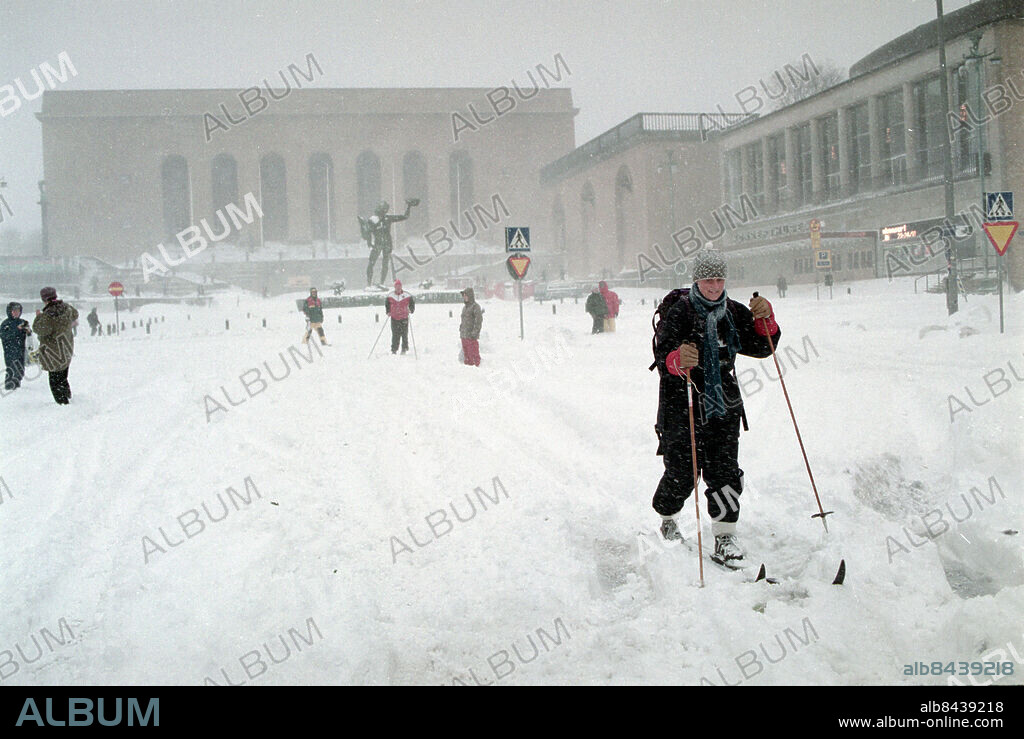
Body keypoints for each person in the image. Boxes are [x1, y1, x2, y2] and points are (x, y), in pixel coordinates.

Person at [651, 249, 781, 566]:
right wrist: (677, 359)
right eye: (708, 279)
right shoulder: (680, 312)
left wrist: (767, 321)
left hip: (723, 401)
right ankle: (667, 519)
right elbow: (662, 353)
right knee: (683, 471)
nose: (714, 286)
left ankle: (724, 536)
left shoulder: (733, 312)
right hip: (683, 401)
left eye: (719, 279)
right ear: (697, 279)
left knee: (724, 471)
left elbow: (762, 347)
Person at [32, 287, 79, 405]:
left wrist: (38, 316)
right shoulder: (67, 308)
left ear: (44, 299)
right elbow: (75, 314)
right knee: (63, 377)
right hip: (66, 348)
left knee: (55, 381)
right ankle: (68, 399)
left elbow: (39, 330)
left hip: (53, 354)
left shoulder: (48, 315)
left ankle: (62, 404)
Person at [359, 199, 418, 287]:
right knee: (374, 263)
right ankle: (370, 283)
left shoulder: (386, 218)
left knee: (381, 263)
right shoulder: (375, 219)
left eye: (385, 209)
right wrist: (367, 237)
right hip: (380, 243)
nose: (384, 211)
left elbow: (405, 216)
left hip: (384, 244)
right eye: (383, 209)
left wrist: (409, 206)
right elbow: (368, 232)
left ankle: (380, 283)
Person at [1, 302, 31, 391]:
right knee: (11, 369)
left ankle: (17, 386)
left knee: (20, 370)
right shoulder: (5, 324)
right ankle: (9, 387)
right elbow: (4, 335)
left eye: (18, 311)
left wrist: (28, 331)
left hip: (21, 350)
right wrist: (16, 329)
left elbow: (29, 336)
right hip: (9, 351)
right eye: (14, 311)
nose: (16, 313)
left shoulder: (22, 322)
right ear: (9, 312)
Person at [385, 280, 415, 354]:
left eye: (399, 286)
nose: (398, 288)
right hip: (394, 318)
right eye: (396, 286)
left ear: (401, 287)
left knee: (404, 334)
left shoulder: (407, 295)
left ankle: (404, 348)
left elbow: (412, 303)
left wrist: (411, 310)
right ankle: (394, 350)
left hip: (404, 317)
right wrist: (388, 311)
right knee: (395, 334)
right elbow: (387, 304)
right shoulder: (390, 295)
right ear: (394, 287)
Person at [459, 287, 483, 366]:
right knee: (467, 357)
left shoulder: (475, 307)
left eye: (466, 295)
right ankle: (468, 372)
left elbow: (478, 321)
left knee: (473, 356)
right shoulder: (464, 308)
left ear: (470, 296)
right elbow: (464, 320)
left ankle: (477, 370)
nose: (464, 297)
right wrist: (461, 328)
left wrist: (474, 333)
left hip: (471, 337)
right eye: (464, 295)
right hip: (464, 336)